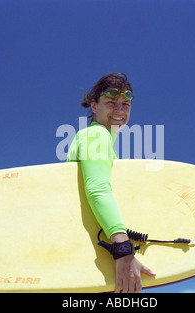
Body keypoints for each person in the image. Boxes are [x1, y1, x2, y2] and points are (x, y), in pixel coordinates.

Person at [66, 73, 156, 293]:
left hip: (88, 258)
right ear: (94, 106)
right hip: (105, 254)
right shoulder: (96, 135)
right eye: (111, 103)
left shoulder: (92, 137)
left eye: (125, 104)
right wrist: (124, 250)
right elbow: (97, 190)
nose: (119, 109)